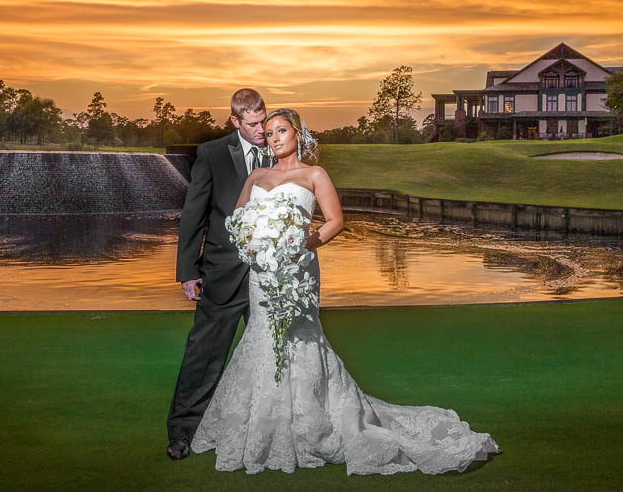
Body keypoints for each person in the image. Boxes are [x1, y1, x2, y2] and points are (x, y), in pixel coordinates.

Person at [191, 108, 499, 475]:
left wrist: (304, 243)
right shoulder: (256, 175)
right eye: (269, 133)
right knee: (261, 338)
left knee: (300, 339)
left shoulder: (314, 174)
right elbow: (238, 219)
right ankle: (264, 426)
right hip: (261, 274)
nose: (274, 138)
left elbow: (336, 221)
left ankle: (312, 424)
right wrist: (253, 244)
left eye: (281, 131)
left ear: (298, 134)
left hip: (297, 270)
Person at [166, 88, 270, 460]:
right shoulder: (211, 154)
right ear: (235, 121)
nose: (262, 130)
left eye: (264, 121)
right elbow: (194, 214)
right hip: (223, 273)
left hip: (271, 277)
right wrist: (188, 271)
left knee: (279, 353)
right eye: (254, 124)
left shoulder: (281, 149)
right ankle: (182, 432)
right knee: (203, 355)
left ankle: (275, 430)